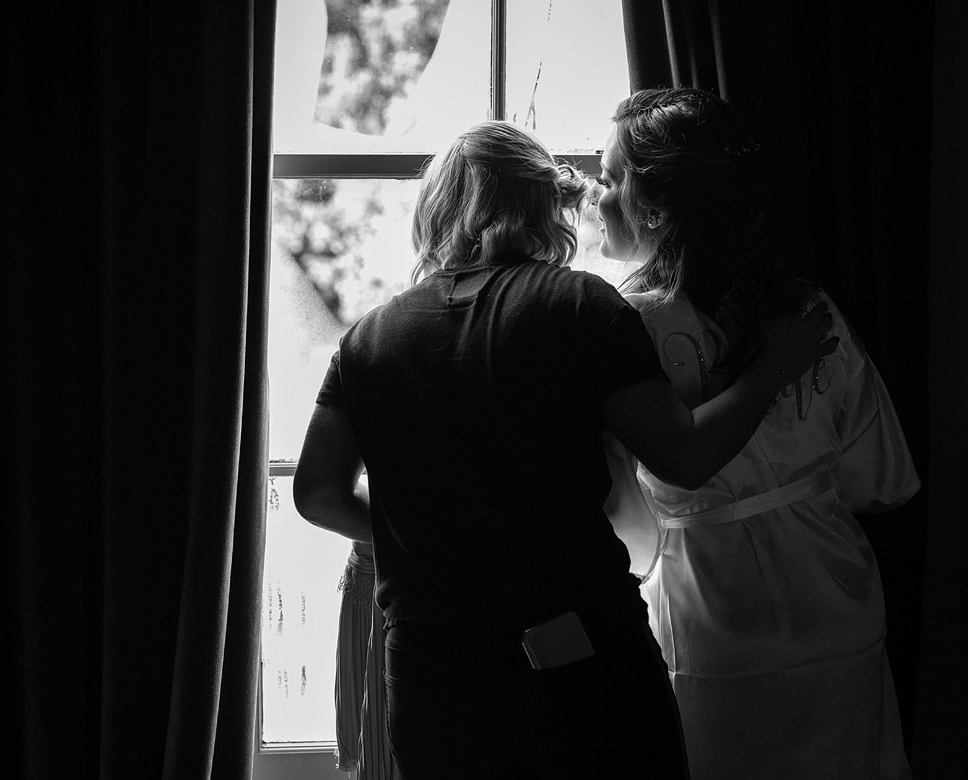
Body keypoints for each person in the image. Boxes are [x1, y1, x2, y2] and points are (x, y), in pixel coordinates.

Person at [293, 119, 836, 779]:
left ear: (436, 213)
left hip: (433, 678)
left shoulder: (367, 339)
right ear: (543, 205)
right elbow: (685, 457)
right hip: (576, 663)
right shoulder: (580, 306)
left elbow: (317, 493)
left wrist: (424, 536)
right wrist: (774, 367)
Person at [595, 87, 920, 780]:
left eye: (606, 179)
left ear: (652, 203)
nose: (594, 199)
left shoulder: (623, 327)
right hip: (837, 598)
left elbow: (616, 511)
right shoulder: (808, 308)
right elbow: (881, 481)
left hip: (713, 615)